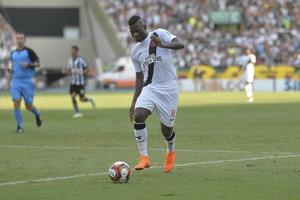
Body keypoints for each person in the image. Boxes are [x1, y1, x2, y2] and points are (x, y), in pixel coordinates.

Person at [128, 15, 184, 173]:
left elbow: (180, 44)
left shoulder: (159, 34)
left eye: (137, 29)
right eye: (132, 31)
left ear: (144, 26)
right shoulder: (135, 53)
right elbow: (139, 78)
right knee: (139, 115)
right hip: (150, 88)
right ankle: (144, 157)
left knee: (166, 130)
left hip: (169, 89)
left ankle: (171, 152)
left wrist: (163, 44)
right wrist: (133, 103)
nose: (135, 34)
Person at [8, 32, 42, 133]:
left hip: (27, 81)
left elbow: (38, 63)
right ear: (15, 40)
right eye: (17, 38)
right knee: (16, 102)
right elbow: (12, 65)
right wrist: (10, 69)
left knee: (28, 106)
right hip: (16, 81)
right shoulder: (12, 53)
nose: (19, 40)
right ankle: (20, 126)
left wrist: (29, 65)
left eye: (21, 38)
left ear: (24, 40)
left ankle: (37, 113)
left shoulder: (29, 51)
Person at [65, 46, 96, 118]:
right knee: (72, 96)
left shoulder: (81, 60)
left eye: (73, 50)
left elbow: (87, 68)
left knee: (82, 99)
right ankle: (77, 112)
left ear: (76, 51)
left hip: (80, 83)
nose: (71, 52)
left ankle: (90, 100)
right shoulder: (69, 60)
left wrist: (82, 72)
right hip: (73, 82)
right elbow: (68, 70)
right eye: (71, 50)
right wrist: (69, 72)